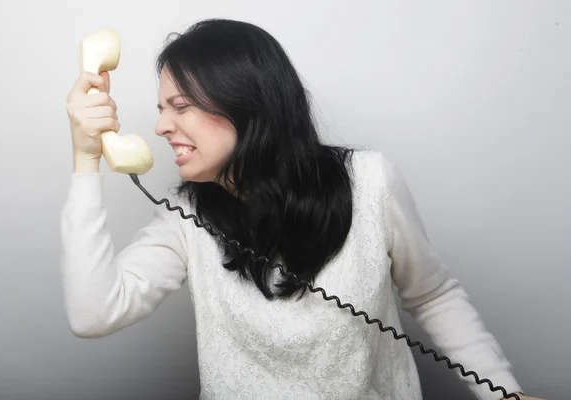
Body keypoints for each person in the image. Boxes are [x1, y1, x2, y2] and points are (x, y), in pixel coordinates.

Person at [62, 18, 543, 400]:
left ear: (247, 104)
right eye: (162, 108)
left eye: (180, 105)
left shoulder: (370, 181)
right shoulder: (184, 217)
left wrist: (504, 392)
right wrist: (86, 157)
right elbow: (93, 315)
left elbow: (433, 295)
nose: (161, 126)